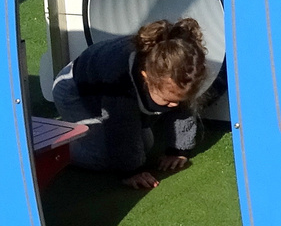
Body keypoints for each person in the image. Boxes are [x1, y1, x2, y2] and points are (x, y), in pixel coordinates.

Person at [50, 18, 212, 190]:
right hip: (77, 93)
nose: (173, 106)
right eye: (168, 101)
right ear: (146, 78)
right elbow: (120, 126)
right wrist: (131, 172)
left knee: (145, 144)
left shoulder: (178, 71)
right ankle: (56, 145)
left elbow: (183, 110)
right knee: (103, 156)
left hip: (109, 94)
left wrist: (178, 150)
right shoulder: (119, 78)